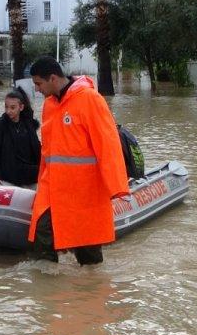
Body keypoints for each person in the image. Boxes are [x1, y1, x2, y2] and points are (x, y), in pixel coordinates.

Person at [26, 56, 129, 265]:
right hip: (52, 186)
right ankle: (45, 288)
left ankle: (92, 287)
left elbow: (107, 144)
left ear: (53, 78)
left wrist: (117, 187)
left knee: (87, 247)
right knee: (41, 231)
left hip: (84, 189)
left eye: (39, 84)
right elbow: (48, 150)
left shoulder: (90, 99)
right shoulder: (49, 105)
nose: (36, 90)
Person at [0, 87, 41, 186]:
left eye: (12, 107)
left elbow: (37, 149)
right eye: (6, 107)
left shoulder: (28, 124)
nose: (8, 111)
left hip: (31, 174)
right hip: (10, 175)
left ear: (21, 107)